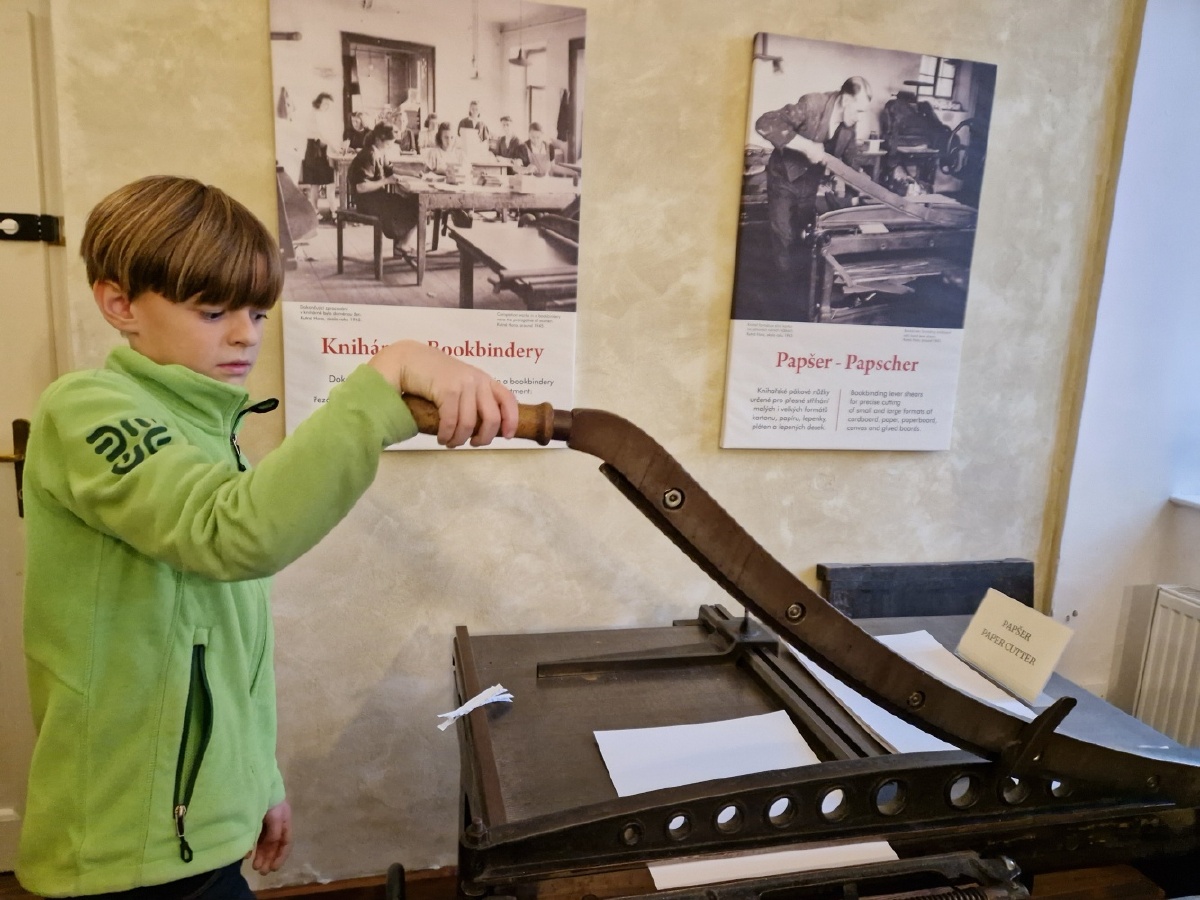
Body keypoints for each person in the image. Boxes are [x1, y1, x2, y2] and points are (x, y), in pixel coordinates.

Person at [16, 174, 518, 899]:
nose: (245, 334)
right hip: (125, 844)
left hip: (196, 824)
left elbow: (224, 647)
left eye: (256, 311)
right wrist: (385, 376)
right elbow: (233, 534)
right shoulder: (87, 406)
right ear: (120, 303)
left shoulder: (207, 435)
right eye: (212, 310)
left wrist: (256, 782)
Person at [754, 76, 872, 315]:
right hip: (784, 180)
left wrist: (866, 185)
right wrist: (806, 146)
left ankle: (803, 292)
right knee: (784, 237)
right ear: (845, 99)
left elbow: (851, 161)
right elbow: (765, 123)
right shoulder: (812, 104)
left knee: (806, 236)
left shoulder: (848, 125)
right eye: (859, 110)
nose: (860, 117)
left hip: (809, 185)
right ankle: (784, 302)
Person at [350, 123, 421, 253]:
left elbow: (390, 169)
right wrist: (387, 180)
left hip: (376, 197)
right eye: (388, 144)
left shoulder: (379, 152)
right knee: (413, 206)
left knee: (412, 202)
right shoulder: (369, 155)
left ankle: (401, 243)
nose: (390, 147)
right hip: (365, 202)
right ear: (378, 140)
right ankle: (402, 244)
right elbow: (361, 187)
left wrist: (412, 173)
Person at [299, 92, 340, 220]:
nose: (327, 106)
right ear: (319, 102)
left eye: (329, 105)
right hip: (314, 150)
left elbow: (329, 135)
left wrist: (335, 146)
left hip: (324, 150)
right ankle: (315, 211)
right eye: (325, 104)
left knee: (329, 181)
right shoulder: (315, 114)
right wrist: (335, 147)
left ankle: (333, 210)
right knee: (315, 183)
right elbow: (323, 136)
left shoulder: (324, 115)